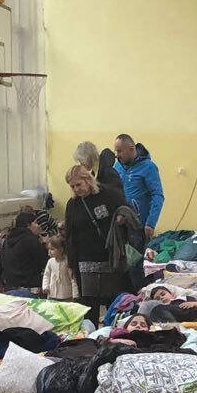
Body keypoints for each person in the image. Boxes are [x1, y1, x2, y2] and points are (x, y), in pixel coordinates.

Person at [64, 165, 123, 314]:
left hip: (108, 257)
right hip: (84, 261)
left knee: (112, 302)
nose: (76, 189)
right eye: (72, 186)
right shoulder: (73, 204)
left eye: (79, 184)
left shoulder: (108, 194)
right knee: (89, 305)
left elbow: (126, 210)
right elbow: (70, 235)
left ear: (88, 180)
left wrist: (121, 219)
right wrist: (71, 263)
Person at [113, 134, 165, 234]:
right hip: (121, 225)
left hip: (140, 227)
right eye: (115, 151)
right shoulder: (117, 166)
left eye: (119, 151)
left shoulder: (148, 167)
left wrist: (151, 223)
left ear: (132, 149)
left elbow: (158, 196)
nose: (116, 155)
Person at [0, 207, 51, 292]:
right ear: (28, 225)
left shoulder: (6, 240)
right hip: (30, 285)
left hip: (9, 285)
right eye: (36, 223)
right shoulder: (31, 240)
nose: (39, 226)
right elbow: (43, 263)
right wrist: (44, 245)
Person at [73, 140, 125, 208]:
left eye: (81, 160)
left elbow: (118, 195)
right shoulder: (94, 173)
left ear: (88, 157)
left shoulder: (107, 171)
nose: (81, 164)